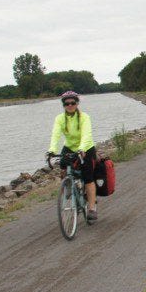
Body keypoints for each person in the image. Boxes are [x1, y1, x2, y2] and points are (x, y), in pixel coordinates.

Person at [46, 91, 98, 221]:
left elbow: (87, 134)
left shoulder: (84, 117)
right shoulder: (59, 119)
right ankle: (68, 184)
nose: (69, 105)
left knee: (88, 178)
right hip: (69, 146)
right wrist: (51, 149)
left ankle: (92, 208)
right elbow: (55, 134)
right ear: (63, 105)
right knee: (63, 165)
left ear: (77, 103)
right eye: (66, 103)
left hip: (86, 147)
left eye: (72, 103)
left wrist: (82, 148)